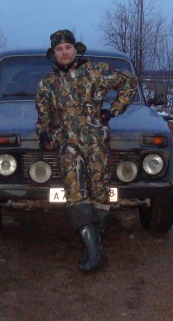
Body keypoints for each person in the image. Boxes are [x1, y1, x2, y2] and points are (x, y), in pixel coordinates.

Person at [35, 29, 139, 272]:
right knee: (75, 193)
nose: (64, 53)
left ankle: (94, 245)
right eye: (59, 49)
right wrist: (43, 132)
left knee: (100, 192)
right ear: (54, 53)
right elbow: (43, 113)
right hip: (68, 145)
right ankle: (93, 250)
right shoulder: (47, 83)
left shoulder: (95, 71)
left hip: (96, 143)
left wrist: (112, 111)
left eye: (68, 48)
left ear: (75, 49)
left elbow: (130, 82)